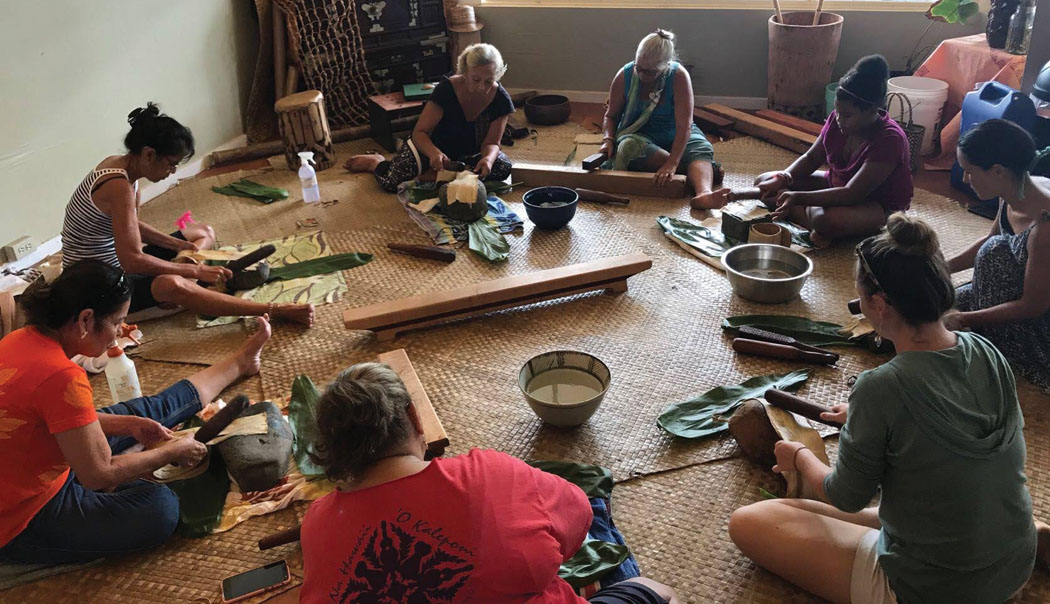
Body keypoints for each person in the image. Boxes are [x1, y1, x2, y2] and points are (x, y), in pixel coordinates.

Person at [727, 214, 1042, 604]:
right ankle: (1022, 534)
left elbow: (846, 496)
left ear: (877, 303)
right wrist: (864, 419)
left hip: (934, 589)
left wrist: (801, 455)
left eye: (860, 298)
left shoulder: (882, 387)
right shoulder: (985, 350)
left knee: (752, 521)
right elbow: (947, 424)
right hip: (1013, 564)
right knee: (813, 509)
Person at [296, 362, 679, 604]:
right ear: (414, 419)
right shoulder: (489, 475)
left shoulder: (316, 525)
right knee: (658, 591)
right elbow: (577, 520)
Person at [0, 260, 273, 564]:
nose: (119, 332)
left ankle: (239, 363)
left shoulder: (20, 339)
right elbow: (98, 474)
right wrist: (171, 452)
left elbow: (45, 418)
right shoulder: (61, 376)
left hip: (35, 460)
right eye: (117, 322)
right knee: (159, 509)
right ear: (86, 320)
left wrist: (125, 425)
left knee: (142, 415)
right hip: (18, 516)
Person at [61, 103, 313, 325]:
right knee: (172, 284)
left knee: (201, 233)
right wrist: (193, 272)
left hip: (116, 264)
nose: (172, 171)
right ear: (149, 154)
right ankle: (275, 310)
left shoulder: (124, 167)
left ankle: (184, 285)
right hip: (96, 287)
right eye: (171, 164)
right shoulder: (117, 184)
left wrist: (179, 244)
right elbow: (131, 260)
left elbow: (131, 224)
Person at [754, 55, 913, 247]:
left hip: (875, 204)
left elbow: (852, 193)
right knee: (765, 182)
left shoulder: (889, 139)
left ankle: (812, 220)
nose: (838, 119)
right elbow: (812, 158)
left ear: (872, 110)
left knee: (824, 219)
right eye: (837, 112)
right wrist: (785, 177)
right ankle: (812, 221)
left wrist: (797, 196)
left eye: (846, 115)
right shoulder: (837, 121)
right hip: (836, 186)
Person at [946, 119, 1050, 390]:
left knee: (947, 330)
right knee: (927, 310)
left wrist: (966, 319)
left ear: (997, 171)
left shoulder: (1045, 226)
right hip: (1003, 290)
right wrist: (943, 267)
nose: (966, 180)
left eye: (970, 172)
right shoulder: (1013, 189)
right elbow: (992, 237)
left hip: (1038, 324)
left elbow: (1033, 306)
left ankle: (985, 338)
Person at [345, 43, 515, 192]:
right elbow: (420, 132)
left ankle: (437, 178)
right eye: (476, 79)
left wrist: (488, 159)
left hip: (468, 154)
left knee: (502, 167)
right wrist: (434, 154)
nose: (481, 87)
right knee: (393, 182)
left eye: (488, 81)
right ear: (465, 72)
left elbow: (492, 143)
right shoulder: (447, 89)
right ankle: (377, 162)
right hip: (432, 148)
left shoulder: (500, 99)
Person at [599, 30, 723, 210]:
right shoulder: (624, 75)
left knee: (700, 148)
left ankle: (704, 193)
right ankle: (691, 172)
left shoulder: (679, 76)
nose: (641, 75)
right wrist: (608, 139)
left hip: (676, 132)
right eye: (638, 67)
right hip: (639, 134)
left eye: (650, 72)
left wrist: (672, 163)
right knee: (628, 147)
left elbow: (684, 126)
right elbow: (611, 116)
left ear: (666, 66)